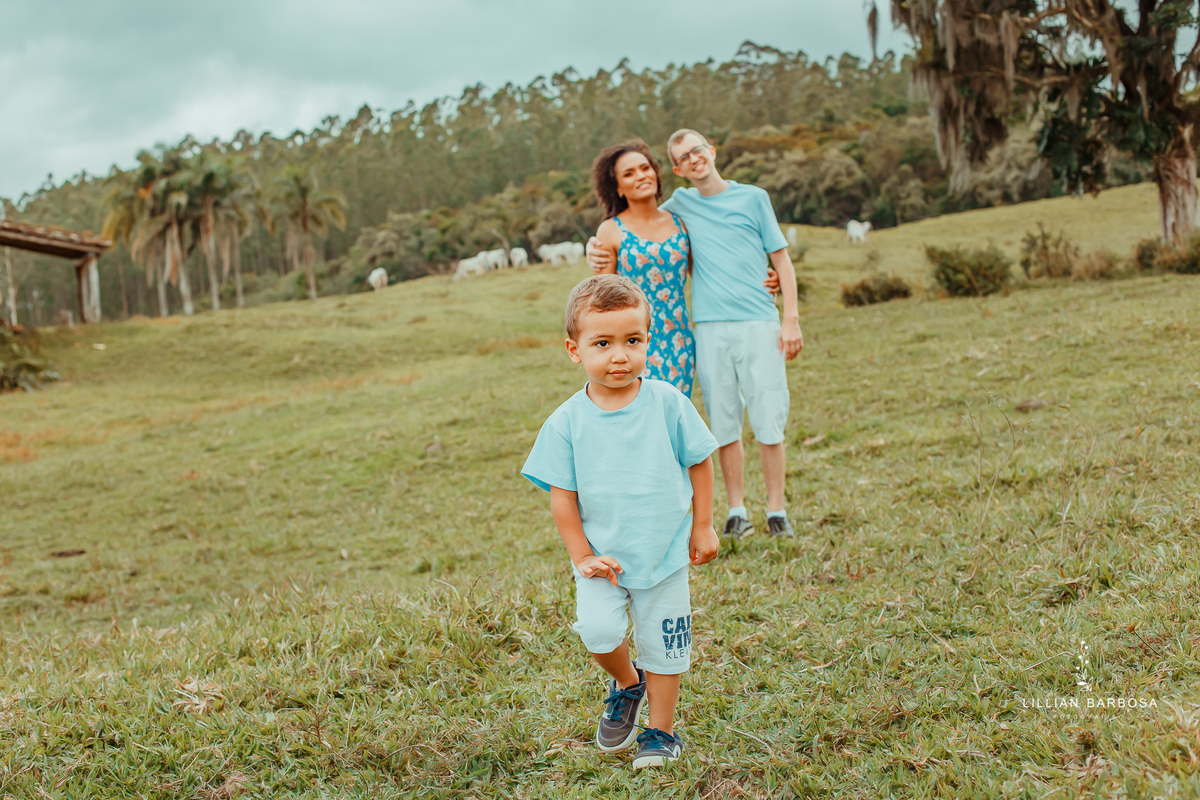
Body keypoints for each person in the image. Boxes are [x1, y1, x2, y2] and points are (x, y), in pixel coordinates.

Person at [521, 274, 720, 770]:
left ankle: (661, 733)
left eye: (633, 341)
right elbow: (563, 500)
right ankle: (628, 682)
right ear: (574, 350)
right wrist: (582, 556)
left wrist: (703, 525)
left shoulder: (668, 402)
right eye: (602, 343)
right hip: (602, 559)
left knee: (665, 646)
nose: (620, 356)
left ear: (648, 340)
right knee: (597, 631)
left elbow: (700, 461)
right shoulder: (565, 422)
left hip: (664, 553)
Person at [588, 128, 803, 540]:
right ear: (676, 170)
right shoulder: (654, 216)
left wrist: (779, 296)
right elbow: (606, 266)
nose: (641, 176)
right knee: (678, 426)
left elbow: (756, 257)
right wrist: (591, 250)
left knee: (739, 421)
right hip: (665, 337)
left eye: (644, 168)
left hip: (700, 337)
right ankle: (705, 514)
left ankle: (769, 512)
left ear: (711, 150)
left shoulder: (698, 212)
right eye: (682, 157)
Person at [590, 139, 695, 396]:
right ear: (617, 187)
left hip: (680, 340)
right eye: (629, 173)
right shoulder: (611, 230)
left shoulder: (680, 223)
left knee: (676, 411)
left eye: (645, 168)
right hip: (633, 343)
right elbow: (603, 300)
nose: (641, 176)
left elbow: (705, 273)